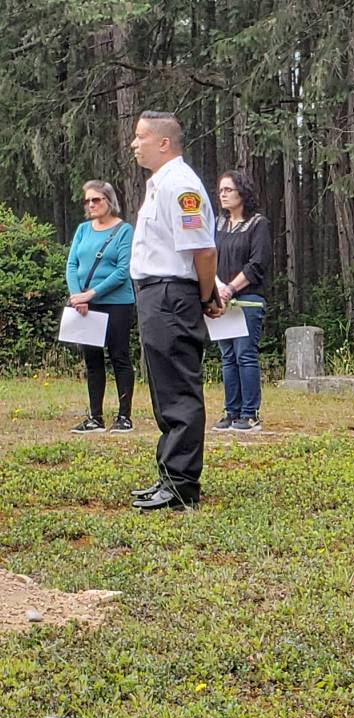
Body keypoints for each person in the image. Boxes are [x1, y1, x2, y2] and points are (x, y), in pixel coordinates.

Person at [128, 111, 223, 511]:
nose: (134, 144)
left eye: (140, 136)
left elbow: (202, 249)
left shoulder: (181, 186)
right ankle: (169, 473)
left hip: (172, 293)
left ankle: (182, 485)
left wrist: (205, 297)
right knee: (164, 388)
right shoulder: (160, 185)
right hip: (156, 293)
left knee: (179, 388)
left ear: (163, 143)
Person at [65, 180, 136, 434]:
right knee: (92, 359)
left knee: (119, 356)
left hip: (117, 303)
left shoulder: (123, 230)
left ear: (109, 201)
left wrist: (91, 294)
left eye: (96, 199)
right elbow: (72, 264)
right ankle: (95, 417)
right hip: (85, 305)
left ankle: (124, 416)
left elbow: (121, 271)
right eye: (87, 200)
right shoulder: (83, 230)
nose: (91, 204)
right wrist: (77, 296)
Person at [209, 170, 271, 433]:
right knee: (227, 356)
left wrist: (231, 288)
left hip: (247, 300)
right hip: (221, 298)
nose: (222, 195)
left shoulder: (258, 224)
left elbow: (257, 264)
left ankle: (249, 413)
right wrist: (216, 289)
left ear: (242, 193)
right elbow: (206, 257)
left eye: (228, 190)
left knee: (245, 355)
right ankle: (231, 411)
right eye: (220, 190)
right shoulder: (217, 225)